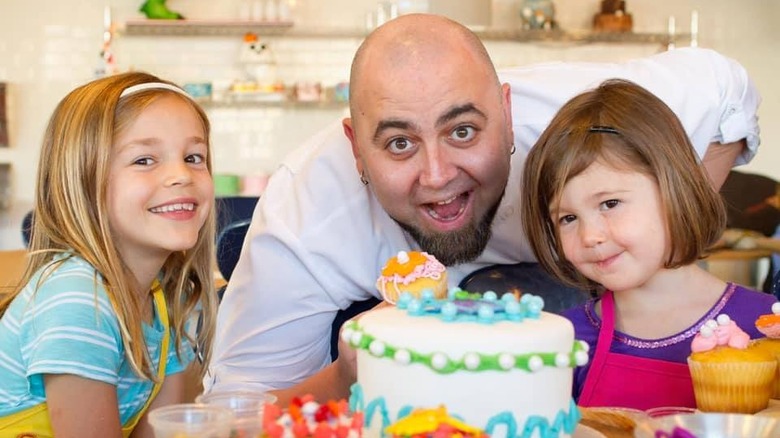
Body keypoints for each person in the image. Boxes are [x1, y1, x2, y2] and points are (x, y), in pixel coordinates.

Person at [206, 13, 762, 404]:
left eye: (464, 131)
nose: (438, 175)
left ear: (508, 111)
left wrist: (657, 246)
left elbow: (724, 87)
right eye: (399, 143)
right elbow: (233, 415)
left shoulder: (575, 126)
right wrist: (345, 373)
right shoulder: (307, 216)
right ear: (355, 148)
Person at [520, 78, 776, 410]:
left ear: (674, 188)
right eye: (567, 218)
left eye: (609, 203)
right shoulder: (564, 337)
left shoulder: (766, 325)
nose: (589, 236)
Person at [0, 72, 218, 437]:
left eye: (194, 157)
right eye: (144, 160)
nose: (181, 174)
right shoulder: (78, 299)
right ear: (84, 182)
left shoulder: (167, 303)